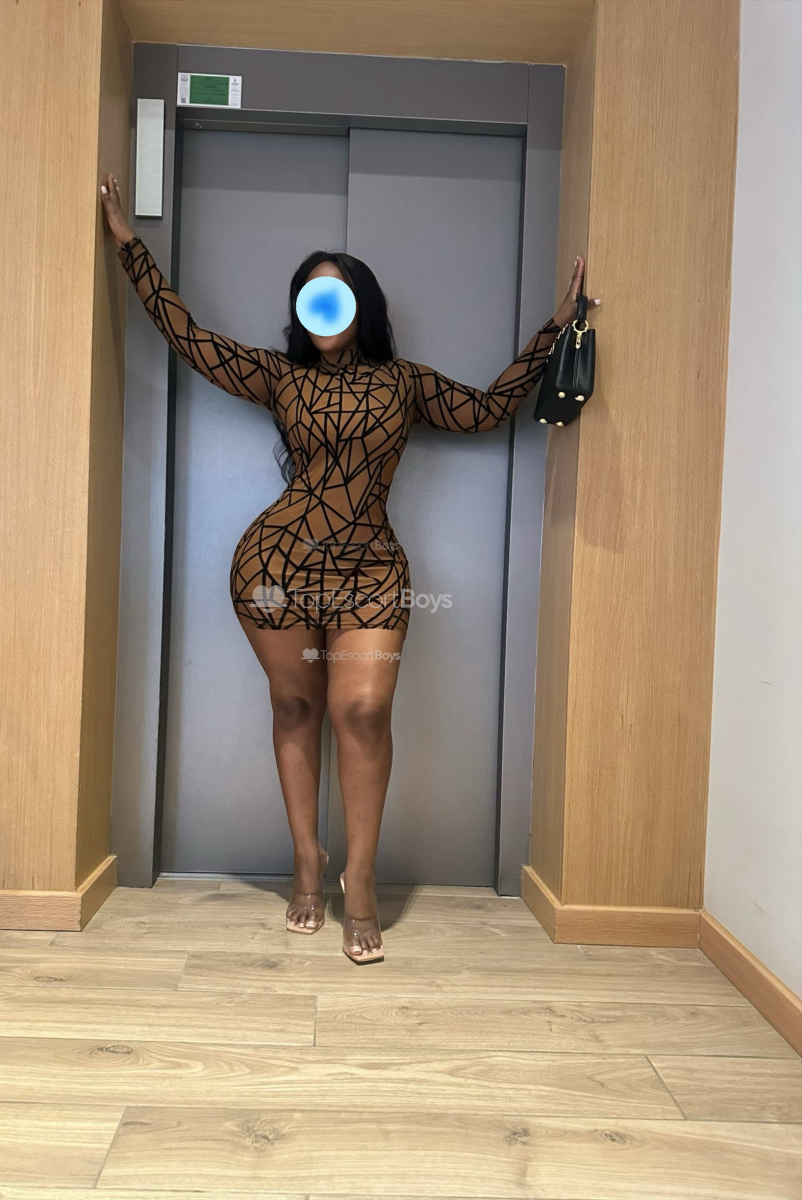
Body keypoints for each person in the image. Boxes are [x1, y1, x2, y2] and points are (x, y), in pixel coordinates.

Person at [101, 171, 601, 964]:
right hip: (275, 565)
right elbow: (190, 339)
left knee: (362, 710)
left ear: (362, 305)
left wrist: (556, 327)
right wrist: (132, 247)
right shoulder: (280, 376)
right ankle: (308, 862)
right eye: (310, 297)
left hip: (371, 570)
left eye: (335, 296)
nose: (323, 310)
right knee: (295, 706)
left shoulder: (404, 382)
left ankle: (359, 876)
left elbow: (488, 409)